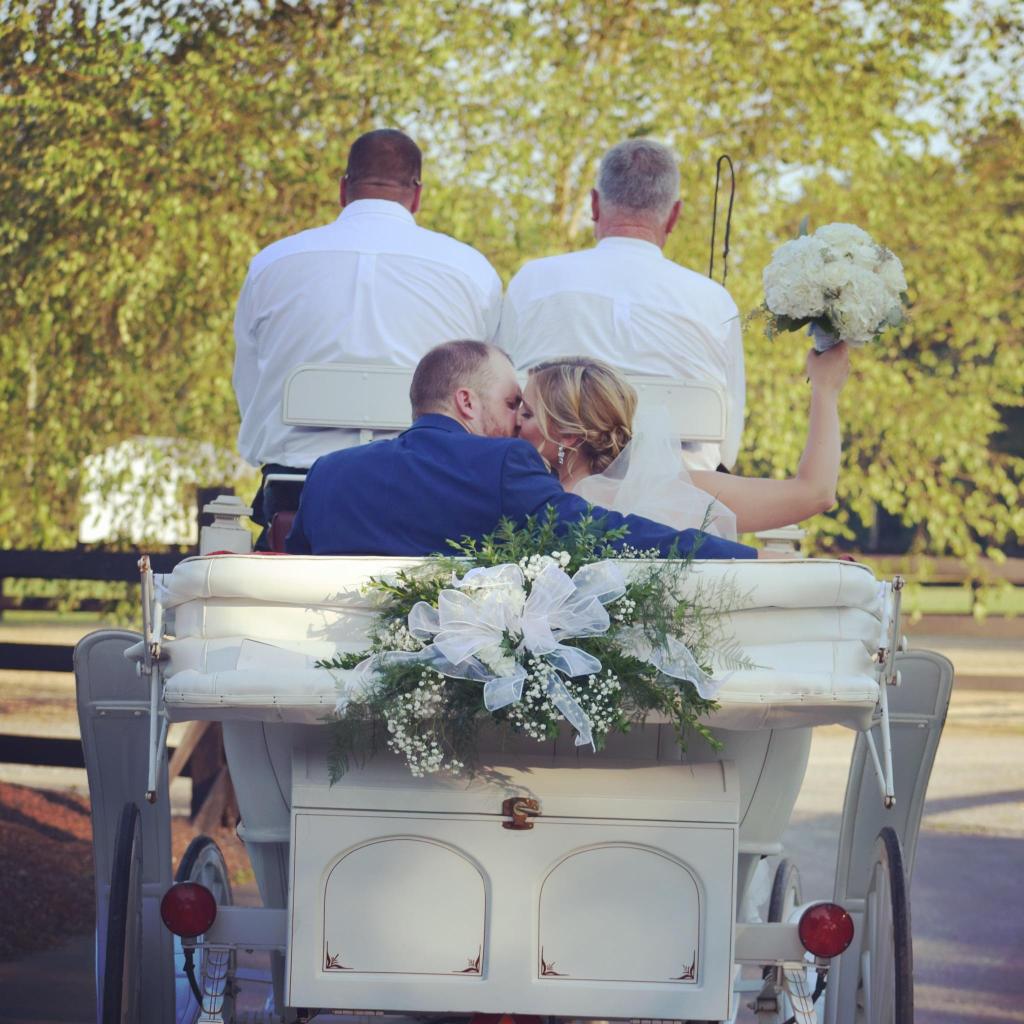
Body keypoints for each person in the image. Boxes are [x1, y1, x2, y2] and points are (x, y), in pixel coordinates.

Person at [233, 128, 503, 544]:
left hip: (297, 492)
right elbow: (493, 397)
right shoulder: (472, 271)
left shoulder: (272, 263)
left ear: (344, 189)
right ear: (417, 195)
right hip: (427, 489)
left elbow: (250, 391)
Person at [285, 341, 762, 560]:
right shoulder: (501, 465)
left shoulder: (327, 473)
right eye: (513, 403)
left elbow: (290, 562)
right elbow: (607, 535)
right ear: (466, 402)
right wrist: (743, 558)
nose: (517, 421)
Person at [498, 138, 745, 472]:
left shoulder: (533, 281)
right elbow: (728, 445)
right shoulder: (715, 302)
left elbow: (501, 405)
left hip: (548, 488)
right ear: (674, 216)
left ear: (594, 204)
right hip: (680, 493)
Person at [516, 345, 849, 536]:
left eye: (527, 413)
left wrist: (824, 388)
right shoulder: (520, 490)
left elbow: (814, 494)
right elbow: (814, 493)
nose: (515, 420)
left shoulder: (670, 492)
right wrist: (825, 389)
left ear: (568, 435)